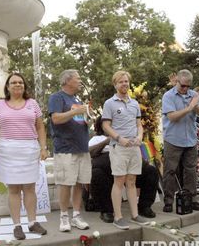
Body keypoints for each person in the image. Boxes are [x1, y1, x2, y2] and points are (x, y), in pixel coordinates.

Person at [0, 72, 48, 239]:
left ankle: (32, 222)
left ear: (24, 86)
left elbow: (40, 128)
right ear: (7, 87)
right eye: (14, 82)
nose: (17, 85)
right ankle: (17, 225)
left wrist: (43, 148)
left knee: (30, 188)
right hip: (8, 151)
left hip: (29, 149)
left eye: (20, 82)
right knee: (14, 189)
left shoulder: (33, 104)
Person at [89, 116, 158, 224]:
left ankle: (144, 207)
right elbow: (90, 152)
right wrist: (107, 141)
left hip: (127, 167)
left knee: (151, 171)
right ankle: (106, 211)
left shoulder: (123, 136)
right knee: (96, 174)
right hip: (107, 173)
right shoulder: (97, 139)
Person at [101, 71, 146, 230]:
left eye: (126, 81)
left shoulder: (134, 103)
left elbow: (139, 124)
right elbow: (105, 125)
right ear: (115, 84)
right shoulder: (109, 103)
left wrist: (140, 136)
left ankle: (135, 215)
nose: (124, 84)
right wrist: (119, 138)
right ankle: (118, 217)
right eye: (121, 82)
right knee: (119, 181)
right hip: (119, 147)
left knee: (132, 181)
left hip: (134, 147)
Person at [48, 69, 91, 232]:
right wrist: (75, 111)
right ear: (67, 81)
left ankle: (76, 216)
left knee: (80, 182)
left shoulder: (77, 99)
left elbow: (79, 119)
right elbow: (56, 119)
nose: (81, 81)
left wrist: (88, 117)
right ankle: (64, 217)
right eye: (78, 78)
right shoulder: (57, 97)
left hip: (82, 147)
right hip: (65, 148)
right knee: (65, 183)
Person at [161, 69, 199, 213]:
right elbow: (172, 116)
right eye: (183, 86)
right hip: (173, 139)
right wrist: (189, 107)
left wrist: (195, 105)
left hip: (190, 139)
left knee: (191, 171)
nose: (185, 89)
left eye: (188, 86)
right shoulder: (168, 96)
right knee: (170, 171)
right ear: (177, 81)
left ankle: (191, 199)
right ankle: (168, 201)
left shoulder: (194, 95)